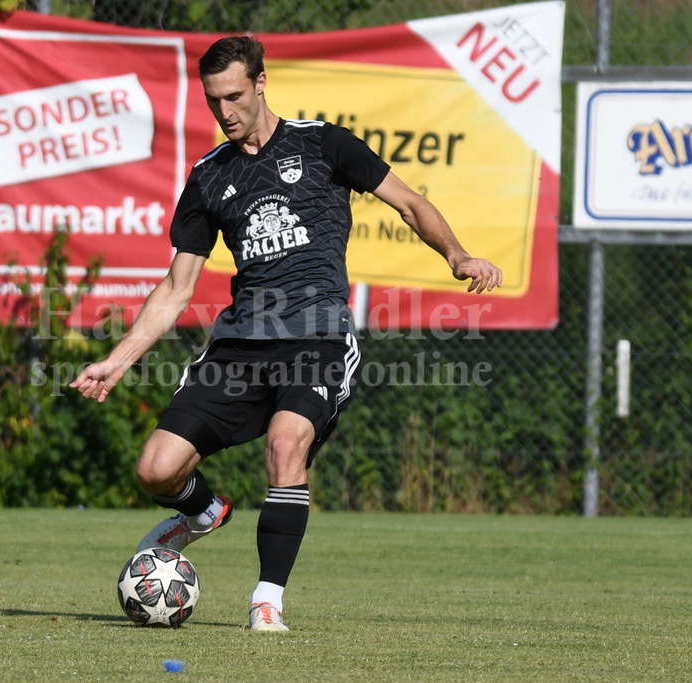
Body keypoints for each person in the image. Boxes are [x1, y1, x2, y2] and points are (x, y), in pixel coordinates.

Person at [70, 35, 502, 631]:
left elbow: (408, 201)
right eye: (213, 100)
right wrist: (114, 363)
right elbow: (175, 289)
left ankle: (266, 597)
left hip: (317, 338)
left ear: (262, 83)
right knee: (156, 469)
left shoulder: (322, 143)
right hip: (240, 345)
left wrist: (456, 255)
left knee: (284, 443)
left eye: (236, 96)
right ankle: (203, 512)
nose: (226, 112)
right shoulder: (208, 177)